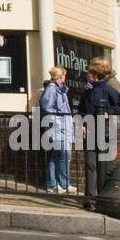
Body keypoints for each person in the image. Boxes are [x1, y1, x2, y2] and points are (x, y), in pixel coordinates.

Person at [77, 57, 120, 210]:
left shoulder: (109, 91)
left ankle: (103, 197)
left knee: (104, 167)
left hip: (106, 133)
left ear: (95, 75)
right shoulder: (87, 93)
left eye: (89, 73)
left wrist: (109, 113)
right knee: (90, 165)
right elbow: (81, 111)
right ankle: (90, 198)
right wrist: (82, 126)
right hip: (91, 132)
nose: (87, 75)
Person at [39, 66, 75, 194]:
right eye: (64, 75)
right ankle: (63, 184)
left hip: (62, 127)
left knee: (55, 156)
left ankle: (53, 185)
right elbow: (47, 107)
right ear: (60, 76)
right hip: (57, 128)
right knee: (65, 154)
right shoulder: (52, 89)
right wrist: (58, 122)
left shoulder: (60, 90)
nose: (65, 77)